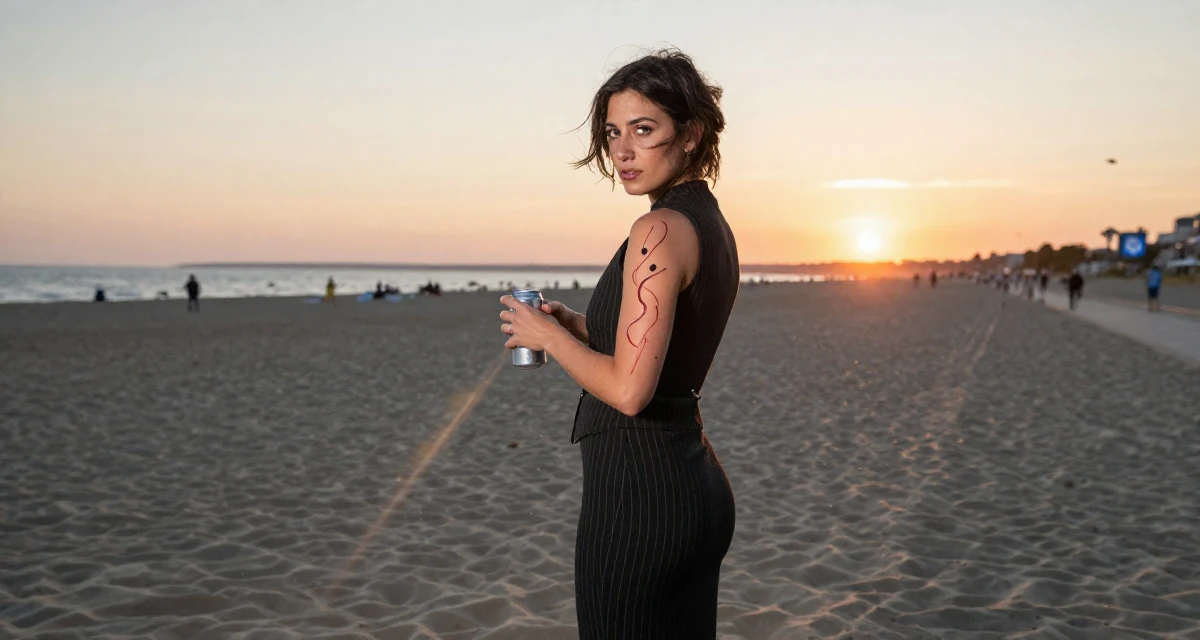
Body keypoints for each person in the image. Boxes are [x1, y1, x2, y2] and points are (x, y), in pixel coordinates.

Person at [498, 49, 736, 639]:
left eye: (643, 129)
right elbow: (663, 347)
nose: (622, 151)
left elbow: (630, 392)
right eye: (612, 133)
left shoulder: (657, 230)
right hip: (693, 486)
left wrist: (547, 338)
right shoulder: (709, 223)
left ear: (691, 134)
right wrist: (577, 326)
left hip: (640, 499)